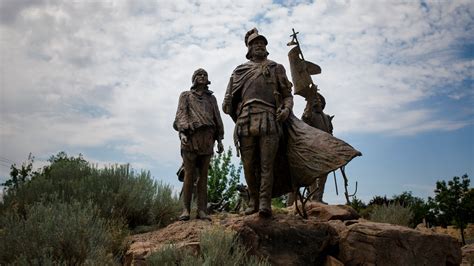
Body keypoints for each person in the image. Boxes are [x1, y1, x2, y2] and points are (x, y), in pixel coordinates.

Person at [223, 28, 293, 218]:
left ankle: (264, 202)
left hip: (270, 119)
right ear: (249, 48)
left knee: (266, 165)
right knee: (248, 165)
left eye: (262, 42)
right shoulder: (239, 71)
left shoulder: (276, 68)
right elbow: (227, 104)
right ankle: (253, 200)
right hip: (245, 121)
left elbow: (287, 96)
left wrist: (286, 110)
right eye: (255, 43)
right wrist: (230, 107)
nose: (259, 45)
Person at [174, 68, 224, 221]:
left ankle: (202, 210)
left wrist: (220, 139)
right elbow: (180, 115)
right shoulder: (186, 96)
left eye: (205, 75)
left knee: (203, 176)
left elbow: (217, 117)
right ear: (193, 78)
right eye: (199, 75)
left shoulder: (211, 99)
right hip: (191, 138)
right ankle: (186, 209)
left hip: (207, 139)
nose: (202, 77)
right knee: (189, 175)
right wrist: (183, 133)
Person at [302, 89, 334, 203]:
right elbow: (304, 121)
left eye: (318, 100)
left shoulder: (326, 117)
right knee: (313, 173)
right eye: (314, 99)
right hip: (312, 147)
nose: (317, 101)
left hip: (324, 148)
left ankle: (319, 197)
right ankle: (313, 196)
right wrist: (309, 105)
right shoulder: (309, 114)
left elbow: (330, 132)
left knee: (324, 173)